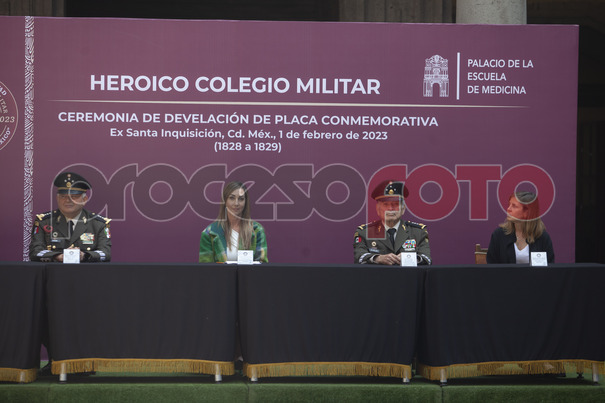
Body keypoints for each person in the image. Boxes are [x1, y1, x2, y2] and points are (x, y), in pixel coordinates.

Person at [29, 172, 111, 262]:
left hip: (86, 270)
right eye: (63, 196)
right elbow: (35, 252)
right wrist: (57, 256)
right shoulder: (44, 221)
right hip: (55, 270)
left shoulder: (98, 224)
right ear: (57, 199)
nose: (68, 200)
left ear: (84, 200)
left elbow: (105, 253)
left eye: (74, 196)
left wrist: (85, 256)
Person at [354, 180, 431, 265]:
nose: (390, 208)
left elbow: (427, 259)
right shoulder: (365, 232)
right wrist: (377, 258)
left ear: (403, 208)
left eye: (395, 204)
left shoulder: (418, 232)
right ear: (378, 209)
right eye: (385, 204)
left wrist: (407, 258)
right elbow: (359, 257)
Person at [199, 181, 268, 263]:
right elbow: (205, 268)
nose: (236, 203)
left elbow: (262, 266)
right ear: (225, 201)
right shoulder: (210, 232)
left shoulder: (257, 230)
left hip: (250, 272)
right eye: (232, 198)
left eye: (241, 199)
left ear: (245, 202)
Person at [486, 191, 554, 264]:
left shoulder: (542, 237)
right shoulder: (499, 235)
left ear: (527, 212)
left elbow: (549, 268)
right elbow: (491, 266)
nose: (508, 209)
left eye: (514, 206)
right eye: (509, 205)